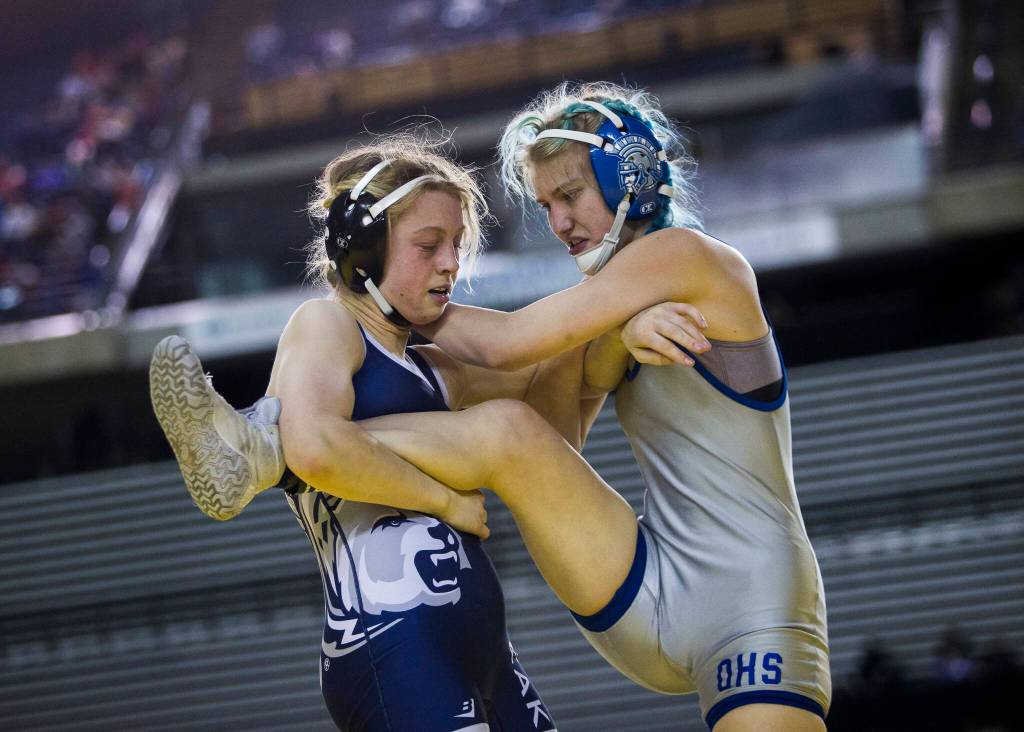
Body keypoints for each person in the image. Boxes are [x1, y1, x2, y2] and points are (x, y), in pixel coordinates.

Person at [351, 82, 832, 731]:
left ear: (627, 174)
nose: (557, 223)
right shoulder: (611, 300)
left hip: (755, 602)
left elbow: (508, 342)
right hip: (645, 585)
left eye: (570, 195)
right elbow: (553, 440)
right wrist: (607, 342)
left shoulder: (687, 255)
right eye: (546, 204)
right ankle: (291, 439)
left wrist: (384, 286)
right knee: (507, 429)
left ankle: (293, 436)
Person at [150, 136, 559, 732]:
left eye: (457, 246)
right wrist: (444, 500)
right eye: (429, 245)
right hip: (393, 645)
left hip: (486, 653)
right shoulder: (329, 324)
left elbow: (551, 418)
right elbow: (317, 447)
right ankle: (253, 441)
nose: (451, 263)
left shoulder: (438, 366)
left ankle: (259, 442)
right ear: (362, 253)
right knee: (304, 438)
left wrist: (627, 329)